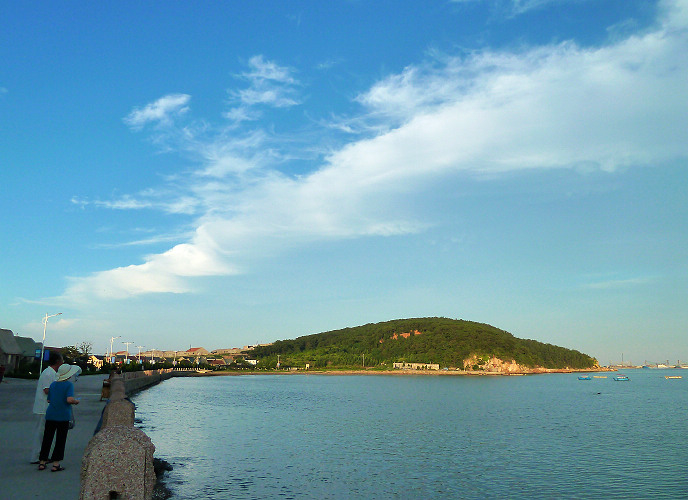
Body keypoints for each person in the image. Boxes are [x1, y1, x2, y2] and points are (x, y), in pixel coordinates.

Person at [38, 364, 81, 472]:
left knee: (47, 438)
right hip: (63, 416)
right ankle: (56, 464)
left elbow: (49, 400)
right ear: (68, 375)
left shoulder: (53, 384)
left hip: (51, 414)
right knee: (60, 440)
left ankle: (42, 462)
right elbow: (69, 400)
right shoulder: (68, 385)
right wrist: (76, 401)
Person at [30, 352, 63, 463]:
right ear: (58, 362)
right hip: (43, 408)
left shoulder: (53, 373)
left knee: (45, 433)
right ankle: (36, 456)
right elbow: (46, 390)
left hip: (48, 408)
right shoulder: (48, 373)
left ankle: (42, 455)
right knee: (40, 433)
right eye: (62, 361)